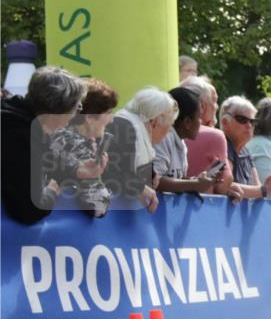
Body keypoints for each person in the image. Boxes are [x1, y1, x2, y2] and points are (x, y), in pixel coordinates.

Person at [1, 66, 87, 224]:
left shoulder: (22, 123)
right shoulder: (16, 134)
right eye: (77, 107)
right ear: (60, 109)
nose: (75, 116)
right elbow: (28, 210)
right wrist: (53, 190)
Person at [47, 79, 118, 217]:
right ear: (90, 118)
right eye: (108, 113)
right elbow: (97, 207)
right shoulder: (72, 143)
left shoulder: (64, 136)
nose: (111, 119)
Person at [105, 87, 178, 214]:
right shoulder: (123, 127)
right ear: (155, 122)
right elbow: (108, 172)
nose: (170, 131)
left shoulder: (130, 125)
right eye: (170, 125)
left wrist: (151, 174)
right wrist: (138, 187)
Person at [155, 87, 233, 197]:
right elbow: (155, 181)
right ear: (187, 122)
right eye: (198, 117)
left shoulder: (181, 142)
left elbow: (175, 180)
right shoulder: (163, 137)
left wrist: (199, 180)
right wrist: (194, 184)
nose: (201, 122)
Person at [219, 96, 271, 199]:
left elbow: (257, 188)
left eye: (252, 121)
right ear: (225, 123)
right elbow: (224, 186)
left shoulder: (245, 151)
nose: (249, 125)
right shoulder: (222, 145)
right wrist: (264, 190)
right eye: (242, 120)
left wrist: (267, 187)